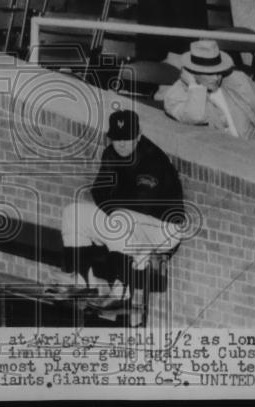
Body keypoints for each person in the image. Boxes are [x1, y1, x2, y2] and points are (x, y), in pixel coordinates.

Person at [52, 110, 186, 320]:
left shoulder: (152, 158)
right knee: (73, 212)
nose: (122, 143)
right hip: (126, 221)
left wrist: (113, 203)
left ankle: (121, 292)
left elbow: (143, 205)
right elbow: (99, 191)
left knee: (120, 218)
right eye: (117, 138)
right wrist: (113, 204)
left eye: (127, 138)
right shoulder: (110, 154)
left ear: (138, 135)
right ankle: (83, 281)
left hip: (163, 229)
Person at [163, 40, 255, 155]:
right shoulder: (176, 94)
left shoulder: (236, 80)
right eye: (209, 73)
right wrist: (193, 86)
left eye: (218, 71)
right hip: (222, 159)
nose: (216, 78)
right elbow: (194, 116)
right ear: (193, 72)